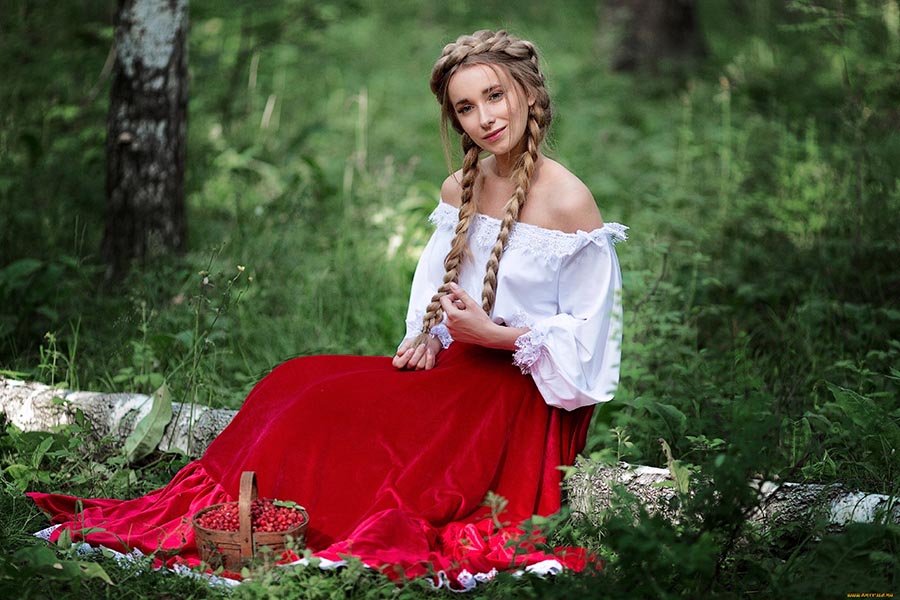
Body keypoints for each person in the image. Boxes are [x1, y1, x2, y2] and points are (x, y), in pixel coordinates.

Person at [28, 29, 625, 589]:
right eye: (465, 108)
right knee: (297, 381)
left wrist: (492, 335)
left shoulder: (569, 201)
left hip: (522, 395)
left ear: (528, 93)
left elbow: (586, 349)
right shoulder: (458, 188)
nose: (484, 118)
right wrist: (430, 335)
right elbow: (437, 298)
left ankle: (317, 522)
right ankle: (240, 518)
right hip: (460, 367)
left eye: (494, 95)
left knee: (358, 428)